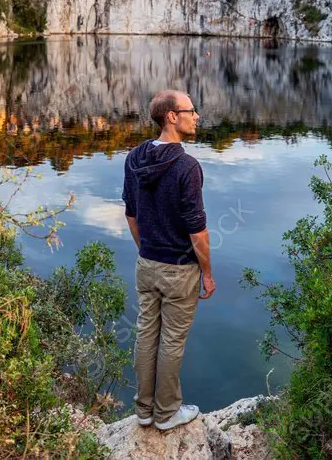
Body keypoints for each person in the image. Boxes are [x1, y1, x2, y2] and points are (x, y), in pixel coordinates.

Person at [122, 89, 215, 431]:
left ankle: (144, 410)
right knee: (172, 339)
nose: (197, 116)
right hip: (179, 270)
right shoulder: (187, 166)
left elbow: (131, 214)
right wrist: (207, 273)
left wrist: (145, 249)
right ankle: (166, 413)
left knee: (146, 333)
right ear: (172, 117)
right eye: (192, 110)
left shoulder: (134, 158)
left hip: (146, 263)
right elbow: (197, 231)